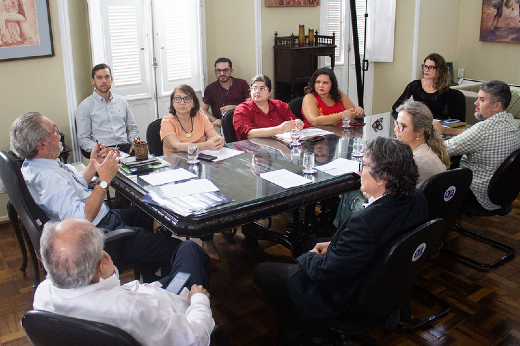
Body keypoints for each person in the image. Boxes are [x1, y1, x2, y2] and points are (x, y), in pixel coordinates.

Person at [253, 137, 428, 344]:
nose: (360, 171)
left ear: (382, 177)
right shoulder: (418, 199)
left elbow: (325, 272)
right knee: (313, 241)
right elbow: (370, 242)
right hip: (384, 282)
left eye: (364, 165)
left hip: (350, 296)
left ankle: (313, 332)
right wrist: (337, 244)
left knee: (263, 271)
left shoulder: (364, 224)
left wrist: (308, 258)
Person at [10, 112, 180, 282]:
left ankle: (151, 271)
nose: (58, 131)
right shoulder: (48, 179)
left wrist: (93, 164)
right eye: (54, 130)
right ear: (41, 144)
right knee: (179, 249)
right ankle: (168, 277)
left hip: (104, 218)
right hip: (100, 234)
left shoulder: (35, 165)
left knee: (151, 211)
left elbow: (74, 188)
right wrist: (104, 179)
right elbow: (83, 219)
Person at [33, 219, 214, 346]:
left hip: (151, 296)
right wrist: (199, 300)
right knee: (190, 249)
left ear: (43, 259)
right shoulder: (132, 311)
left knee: (181, 261)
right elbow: (197, 340)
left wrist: (107, 274)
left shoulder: (43, 295)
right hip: (175, 311)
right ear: (101, 264)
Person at [436, 80, 520, 211]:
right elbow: (471, 134)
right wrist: (446, 130)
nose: (476, 103)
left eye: (481, 99)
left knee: (432, 183)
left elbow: (442, 149)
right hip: (500, 193)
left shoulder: (483, 130)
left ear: (497, 106)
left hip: (478, 194)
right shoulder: (512, 124)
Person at [76, 63, 140, 158]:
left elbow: (132, 128)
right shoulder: (85, 106)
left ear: (112, 79)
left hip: (125, 147)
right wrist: (100, 149)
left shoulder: (122, 102)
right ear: (93, 81)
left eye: (107, 77)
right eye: (99, 78)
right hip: (103, 150)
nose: (104, 81)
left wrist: (135, 142)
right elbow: (83, 139)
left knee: (146, 165)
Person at [392, 53, 465, 122]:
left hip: (439, 127)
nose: (426, 69)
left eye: (431, 67)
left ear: (439, 70)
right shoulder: (414, 85)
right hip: (420, 125)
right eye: (425, 66)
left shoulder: (447, 92)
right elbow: (396, 107)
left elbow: (453, 120)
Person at [233, 74, 304, 141]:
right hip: (252, 150)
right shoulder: (242, 109)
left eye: (262, 88)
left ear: (270, 92)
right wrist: (279, 129)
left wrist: (298, 123)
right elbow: (249, 134)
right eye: (254, 88)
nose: (257, 92)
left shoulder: (280, 105)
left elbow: (293, 121)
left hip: (279, 147)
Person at [395, 101, 450, 186]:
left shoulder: (417, 161)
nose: (396, 129)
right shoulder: (430, 149)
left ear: (420, 131)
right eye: (396, 124)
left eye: (402, 126)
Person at [161, 84, 225, 155]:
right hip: (176, 163)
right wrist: (206, 145)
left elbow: (215, 136)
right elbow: (176, 146)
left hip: (201, 160)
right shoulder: (167, 122)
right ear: (173, 102)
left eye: (187, 99)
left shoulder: (201, 117)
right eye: (178, 99)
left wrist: (220, 140)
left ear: (193, 103)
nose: (182, 103)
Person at [201, 57, 250, 127]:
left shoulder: (242, 84)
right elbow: (203, 110)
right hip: (225, 126)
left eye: (225, 70)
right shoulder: (210, 88)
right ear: (215, 71)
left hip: (243, 122)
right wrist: (214, 120)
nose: (222, 73)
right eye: (219, 70)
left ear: (231, 71)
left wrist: (235, 107)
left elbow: (251, 105)